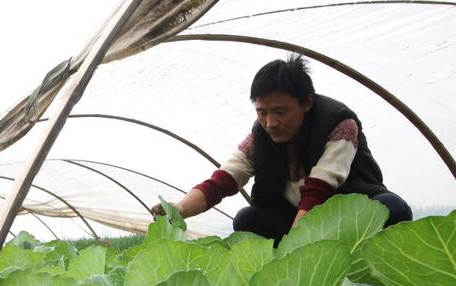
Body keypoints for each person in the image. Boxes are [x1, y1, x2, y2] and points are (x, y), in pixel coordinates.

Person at [153, 55, 412, 243]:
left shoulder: (340, 124)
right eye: (262, 113)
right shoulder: (259, 137)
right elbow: (222, 181)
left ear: (307, 103)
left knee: (392, 207)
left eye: (280, 112)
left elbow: (319, 189)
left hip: (347, 217)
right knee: (247, 220)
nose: (270, 123)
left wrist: (296, 249)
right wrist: (178, 210)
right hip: (293, 219)